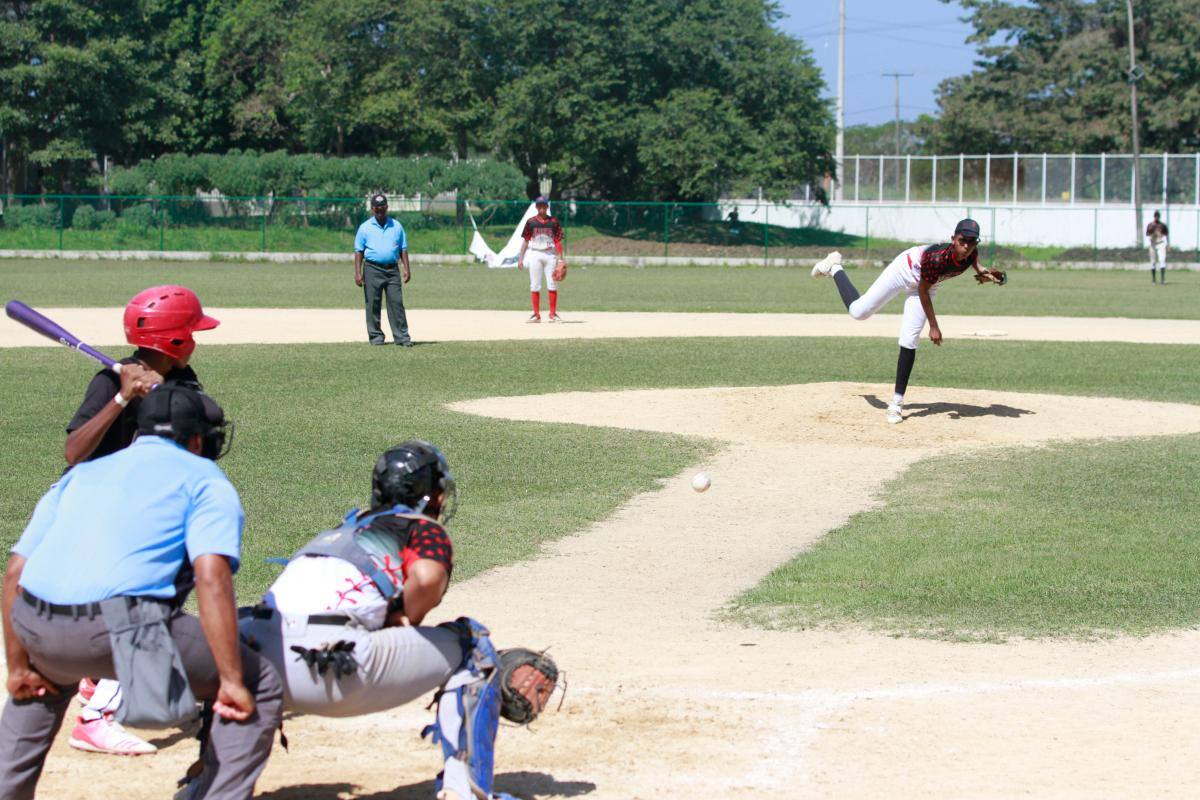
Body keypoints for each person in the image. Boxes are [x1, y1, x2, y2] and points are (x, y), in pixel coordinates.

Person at [0, 387, 283, 800]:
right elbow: (211, 578)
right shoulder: (205, 478)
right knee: (259, 684)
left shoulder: (84, 472)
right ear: (198, 440)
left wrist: (18, 664)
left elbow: (14, 575)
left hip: (36, 626)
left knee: (39, 685)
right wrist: (231, 678)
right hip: (122, 628)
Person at [238, 442, 555, 800]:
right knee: (473, 644)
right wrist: (405, 616)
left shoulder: (341, 530)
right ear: (431, 496)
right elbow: (426, 577)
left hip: (258, 662)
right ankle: (465, 789)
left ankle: (211, 787)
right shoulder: (419, 526)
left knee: (243, 643)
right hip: (338, 668)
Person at [63, 284, 219, 756]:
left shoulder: (185, 382)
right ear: (174, 340)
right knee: (146, 603)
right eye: (191, 331)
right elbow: (74, 454)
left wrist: (162, 395)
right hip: (95, 509)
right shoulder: (109, 383)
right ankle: (96, 717)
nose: (196, 338)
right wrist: (122, 400)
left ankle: (95, 679)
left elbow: (209, 419)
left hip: (142, 508)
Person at [811, 218, 1005, 424]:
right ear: (953, 239)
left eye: (972, 241)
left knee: (909, 340)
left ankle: (896, 403)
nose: (966, 245)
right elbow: (922, 290)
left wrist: (988, 274)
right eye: (962, 240)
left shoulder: (970, 252)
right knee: (859, 312)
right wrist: (934, 326)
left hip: (928, 282)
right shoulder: (937, 258)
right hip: (906, 269)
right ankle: (834, 267)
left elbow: (975, 264)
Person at [354, 193, 413, 346]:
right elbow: (359, 251)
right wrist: (358, 272)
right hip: (372, 268)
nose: (380, 210)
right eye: (377, 208)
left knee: (396, 303)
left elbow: (403, 249)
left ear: (387, 207)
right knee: (373, 303)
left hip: (392, 270)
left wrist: (406, 268)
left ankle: (402, 337)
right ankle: (376, 337)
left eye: (382, 207)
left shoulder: (396, 226)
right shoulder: (365, 227)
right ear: (372, 209)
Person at [517, 196, 567, 323]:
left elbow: (557, 241)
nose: (542, 208)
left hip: (550, 254)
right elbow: (526, 241)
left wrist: (561, 259)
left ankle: (553, 314)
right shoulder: (531, 222)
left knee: (552, 284)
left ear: (547, 207)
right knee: (534, 285)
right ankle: (536, 315)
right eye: (539, 206)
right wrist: (520, 258)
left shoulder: (553, 222)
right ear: (536, 207)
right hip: (534, 254)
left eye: (544, 206)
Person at [1146, 210, 1169, 285]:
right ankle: (1154, 280)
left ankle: (1162, 279)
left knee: (1162, 260)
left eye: (1158, 216)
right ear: (1154, 216)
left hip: (1160, 244)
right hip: (1153, 244)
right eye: (1156, 216)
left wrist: (1167, 244)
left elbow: (1166, 235)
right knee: (1153, 262)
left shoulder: (1162, 225)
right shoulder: (1150, 225)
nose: (1157, 217)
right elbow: (1147, 234)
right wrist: (1153, 234)